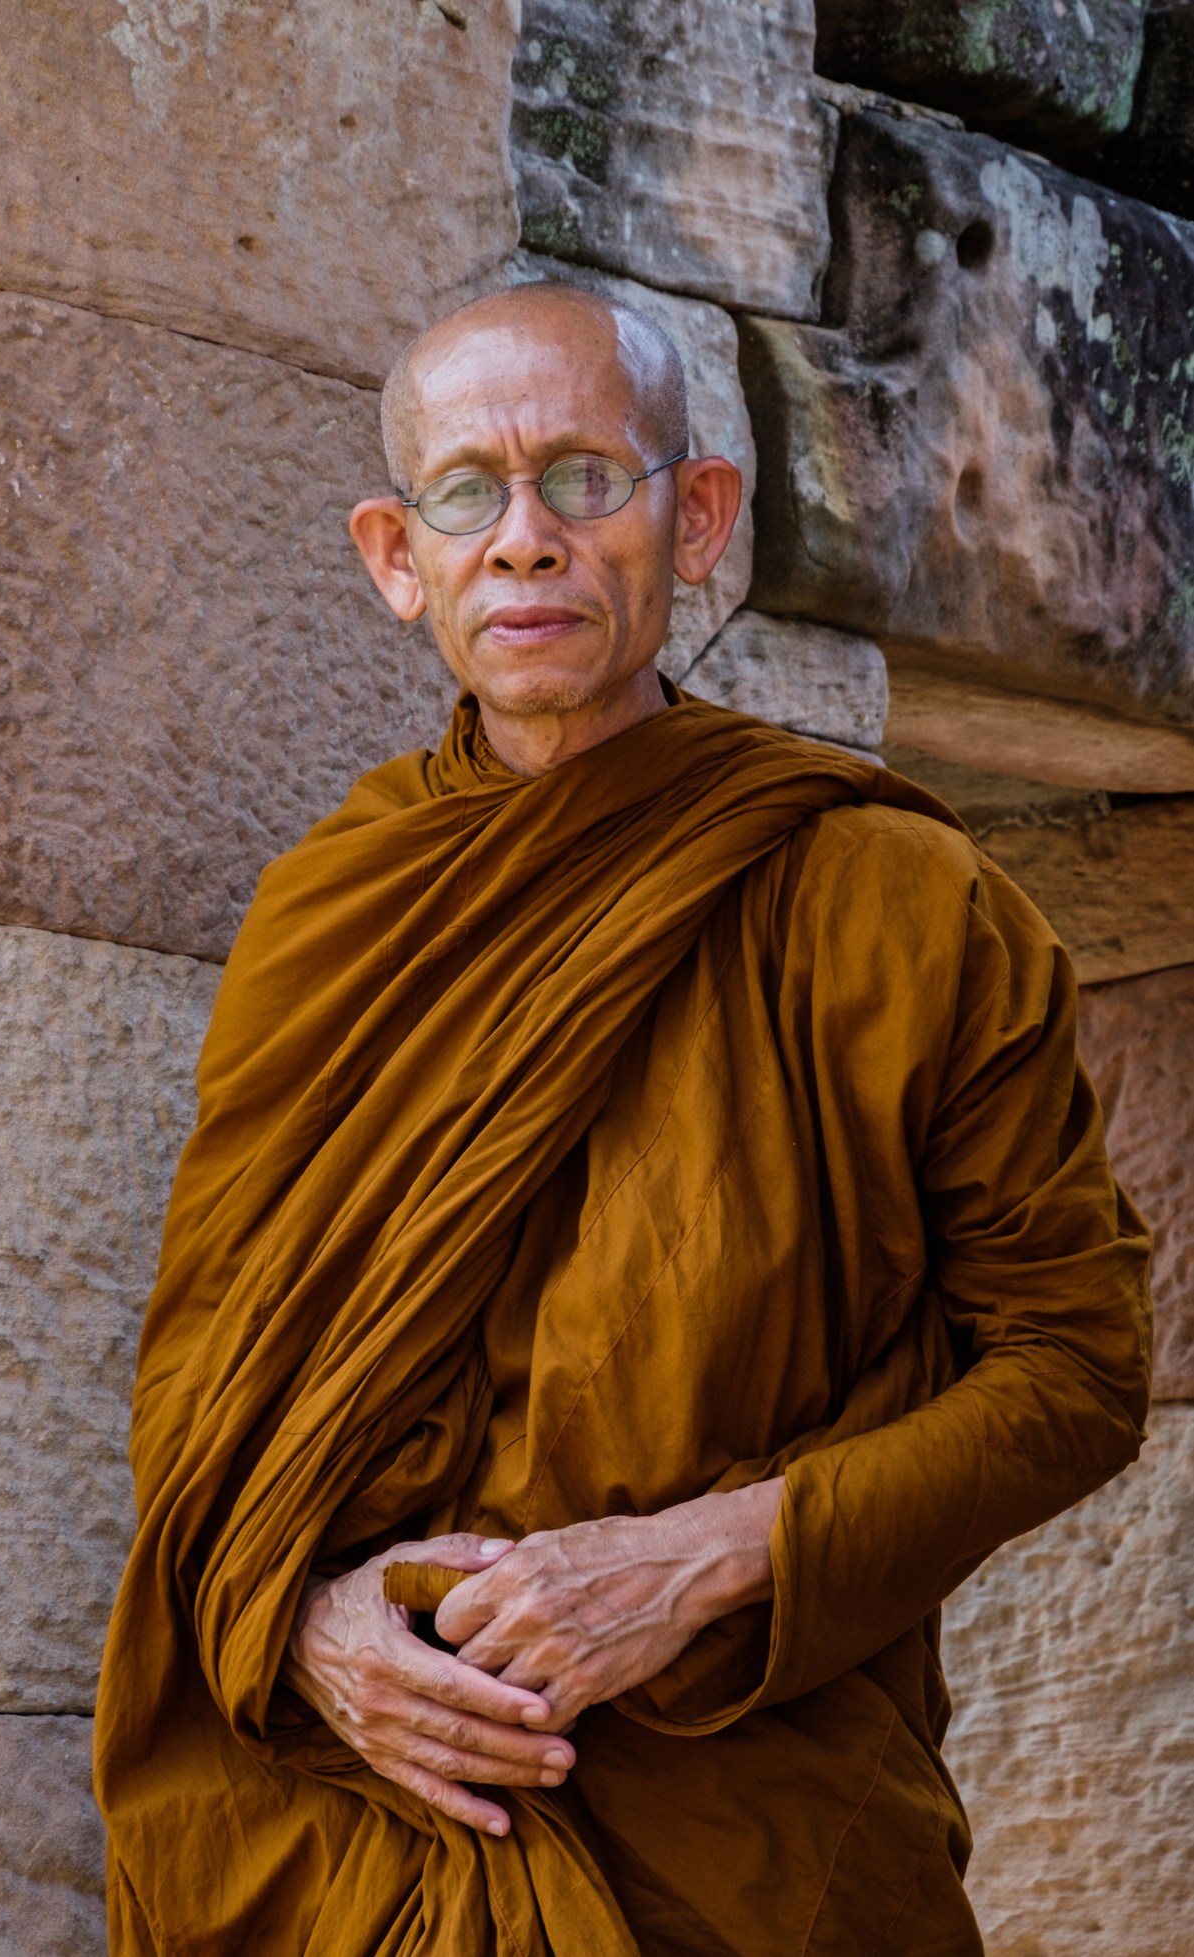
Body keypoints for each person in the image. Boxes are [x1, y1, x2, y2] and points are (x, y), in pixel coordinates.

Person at [94, 282, 1151, 1956]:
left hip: (742, 1842)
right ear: (395, 554)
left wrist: (698, 1560)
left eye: (584, 477)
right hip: (349, 1838)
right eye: (466, 492)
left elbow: (1077, 1371)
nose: (523, 540)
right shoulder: (324, 917)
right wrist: (301, 1626)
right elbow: (205, 1393)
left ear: (698, 516)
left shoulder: (892, 898)